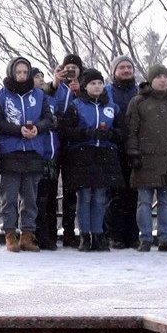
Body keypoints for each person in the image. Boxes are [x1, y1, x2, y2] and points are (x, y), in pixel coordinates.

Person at [126, 64, 167, 252]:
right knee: (144, 201)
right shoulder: (138, 102)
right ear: (151, 79)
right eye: (158, 77)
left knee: (166, 201)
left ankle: (165, 238)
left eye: (165, 76)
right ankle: (145, 238)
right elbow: (132, 131)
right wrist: (133, 153)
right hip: (145, 159)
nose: (162, 80)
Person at [0, 56, 53, 252]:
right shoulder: (0, 95)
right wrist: (17, 130)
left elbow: (48, 119)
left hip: (33, 151)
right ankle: (10, 234)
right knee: (9, 197)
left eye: (25, 72)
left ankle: (27, 235)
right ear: (12, 72)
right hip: (10, 151)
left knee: (30, 197)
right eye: (18, 72)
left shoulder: (40, 95)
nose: (22, 76)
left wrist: (37, 128)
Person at [58, 68, 124, 252]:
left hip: (105, 155)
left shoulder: (112, 107)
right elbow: (67, 130)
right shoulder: (76, 105)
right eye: (93, 83)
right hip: (82, 155)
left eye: (100, 83)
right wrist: (86, 133)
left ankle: (98, 234)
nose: (97, 86)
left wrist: (109, 134)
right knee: (85, 196)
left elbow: (121, 132)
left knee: (100, 197)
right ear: (85, 87)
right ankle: (85, 236)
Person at [104, 55, 141, 249]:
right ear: (114, 72)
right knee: (115, 195)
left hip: (136, 149)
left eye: (129, 67)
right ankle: (114, 234)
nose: (126, 70)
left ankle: (133, 235)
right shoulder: (107, 91)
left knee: (134, 194)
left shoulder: (139, 91)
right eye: (122, 68)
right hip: (113, 148)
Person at [53, 53, 85, 247]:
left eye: (75, 67)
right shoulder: (56, 86)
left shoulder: (85, 85)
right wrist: (56, 83)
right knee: (49, 188)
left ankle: (70, 231)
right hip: (54, 142)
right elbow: (47, 100)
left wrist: (79, 92)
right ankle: (49, 230)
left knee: (72, 190)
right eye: (68, 67)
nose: (71, 70)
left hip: (75, 144)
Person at [29, 65, 61, 251]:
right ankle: (40, 235)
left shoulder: (49, 99)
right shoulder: (31, 101)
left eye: (42, 76)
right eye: (36, 77)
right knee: (38, 198)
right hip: (37, 154)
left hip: (52, 154)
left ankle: (51, 233)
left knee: (50, 198)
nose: (41, 79)